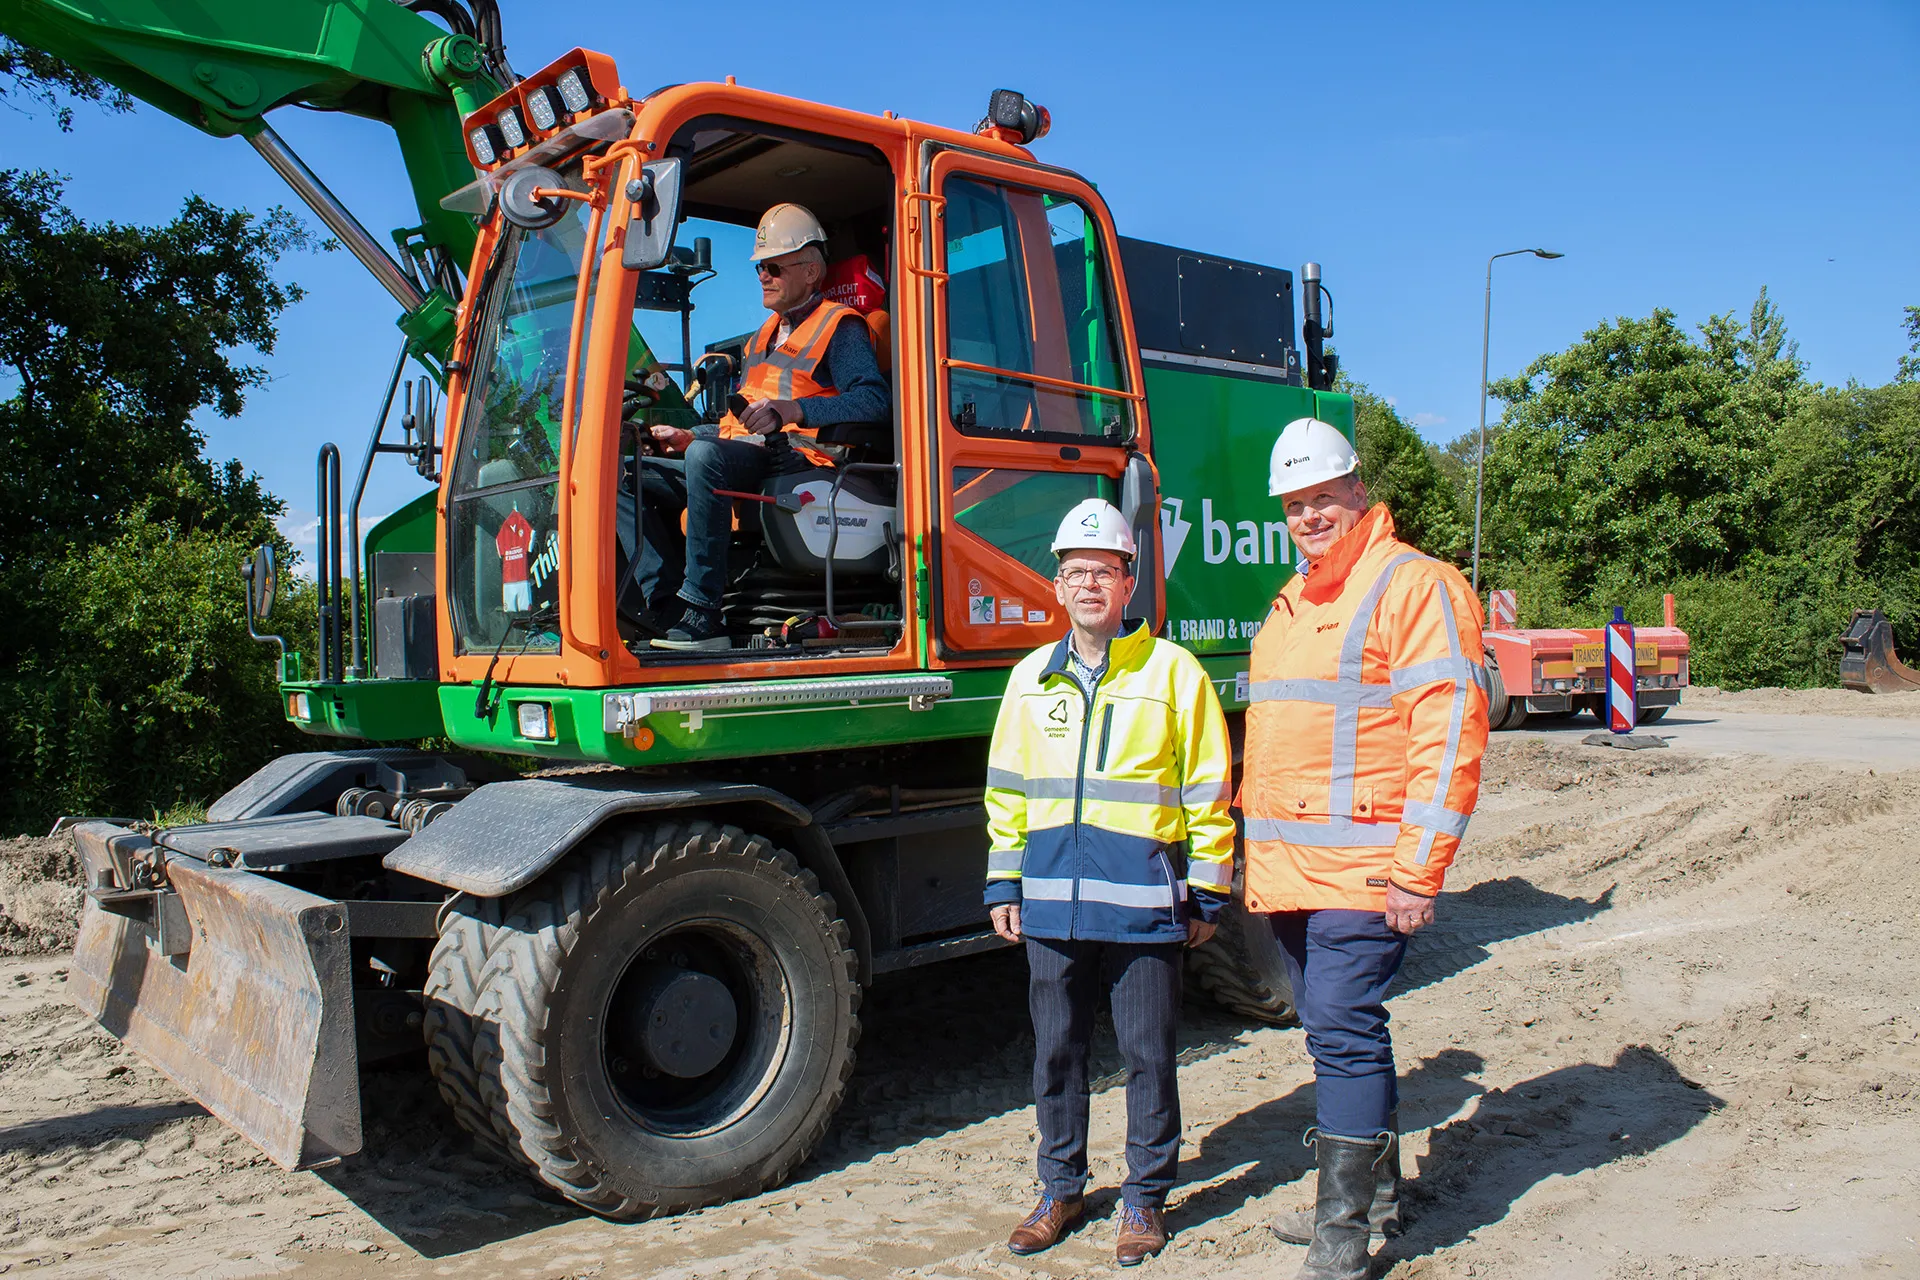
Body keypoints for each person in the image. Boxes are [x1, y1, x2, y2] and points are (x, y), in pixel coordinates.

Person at [1239, 417, 1490, 1280]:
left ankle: (1341, 1234)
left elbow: (1448, 737)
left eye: (1323, 497)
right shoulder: (1295, 599)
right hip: (1291, 870)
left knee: (1343, 1027)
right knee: (1332, 1028)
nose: (1309, 515)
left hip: (1368, 869)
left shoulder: (1413, 585)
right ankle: (1373, 1198)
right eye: (1293, 504)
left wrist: (1420, 871)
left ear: (1358, 491)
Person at [983, 498, 1235, 1267]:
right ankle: (1060, 1189)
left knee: (1149, 1057)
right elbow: (1007, 788)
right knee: (1056, 1054)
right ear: (1057, 586)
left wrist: (1208, 888)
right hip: (1052, 905)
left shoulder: (1174, 673)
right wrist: (1004, 882)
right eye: (1076, 571)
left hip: (1142, 906)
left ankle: (1144, 1199)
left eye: (1105, 571)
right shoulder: (1030, 678)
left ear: (1129, 583)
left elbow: (1208, 789)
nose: (1090, 584)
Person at [634, 202, 890, 650]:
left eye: (773, 267)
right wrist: (691, 436)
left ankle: (702, 613)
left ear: (811, 272)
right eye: (759, 268)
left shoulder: (840, 327)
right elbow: (737, 427)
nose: (762, 277)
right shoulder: (760, 338)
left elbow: (874, 400)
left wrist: (795, 410)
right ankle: (661, 609)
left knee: (706, 458)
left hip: (801, 463)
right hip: (747, 458)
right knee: (628, 475)